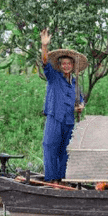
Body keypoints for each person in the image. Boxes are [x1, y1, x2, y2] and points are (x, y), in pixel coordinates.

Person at [39, 28, 87, 184]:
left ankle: (62, 180)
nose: (66, 66)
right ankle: (52, 180)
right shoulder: (53, 77)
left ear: (73, 66)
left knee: (66, 151)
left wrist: (80, 107)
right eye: (63, 64)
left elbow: (80, 102)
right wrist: (44, 46)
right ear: (60, 66)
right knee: (50, 146)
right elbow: (45, 62)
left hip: (69, 121)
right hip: (54, 117)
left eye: (69, 64)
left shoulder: (75, 83)